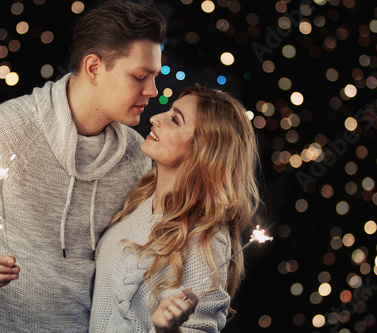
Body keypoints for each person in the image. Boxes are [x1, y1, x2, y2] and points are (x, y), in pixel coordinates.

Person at [0, 0, 165, 332]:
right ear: (93, 68)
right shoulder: (4, 133)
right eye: (139, 76)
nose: (153, 91)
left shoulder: (138, 157)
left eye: (154, 77)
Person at [90, 84, 261, 332]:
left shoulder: (206, 237)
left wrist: (168, 330)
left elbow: (199, 328)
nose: (155, 118)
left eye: (174, 119)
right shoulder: (140, 198)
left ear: (204, 150)